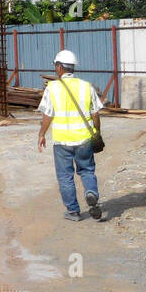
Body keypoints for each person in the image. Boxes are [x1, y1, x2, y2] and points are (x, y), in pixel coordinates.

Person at [37, 48, 104, 222]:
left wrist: (42, 134)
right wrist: (97, 134)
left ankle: (73, 212)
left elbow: (48, 115)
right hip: (84, 139)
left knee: (65, 176)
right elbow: (95, 114)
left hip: (62, 142)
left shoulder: (52, 88)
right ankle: (91, 192)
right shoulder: (86, 87)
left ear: (59, 67)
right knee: (87, 170)